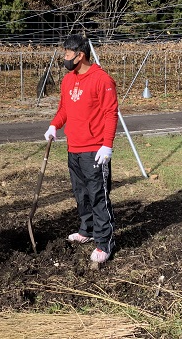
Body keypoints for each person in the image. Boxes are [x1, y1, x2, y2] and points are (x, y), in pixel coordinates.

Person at [44, 34, 119, 264]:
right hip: (73, 148)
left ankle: (105, 242)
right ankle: (86, 230)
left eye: (67, 54)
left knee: (98, 195)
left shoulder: (102, 80)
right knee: (81, 193)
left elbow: (110, 114)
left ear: (80, 55)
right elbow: (64, 109)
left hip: (94, 150)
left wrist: (107, 145)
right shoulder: (68, 80)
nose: (65, 58)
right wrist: (54, 125)